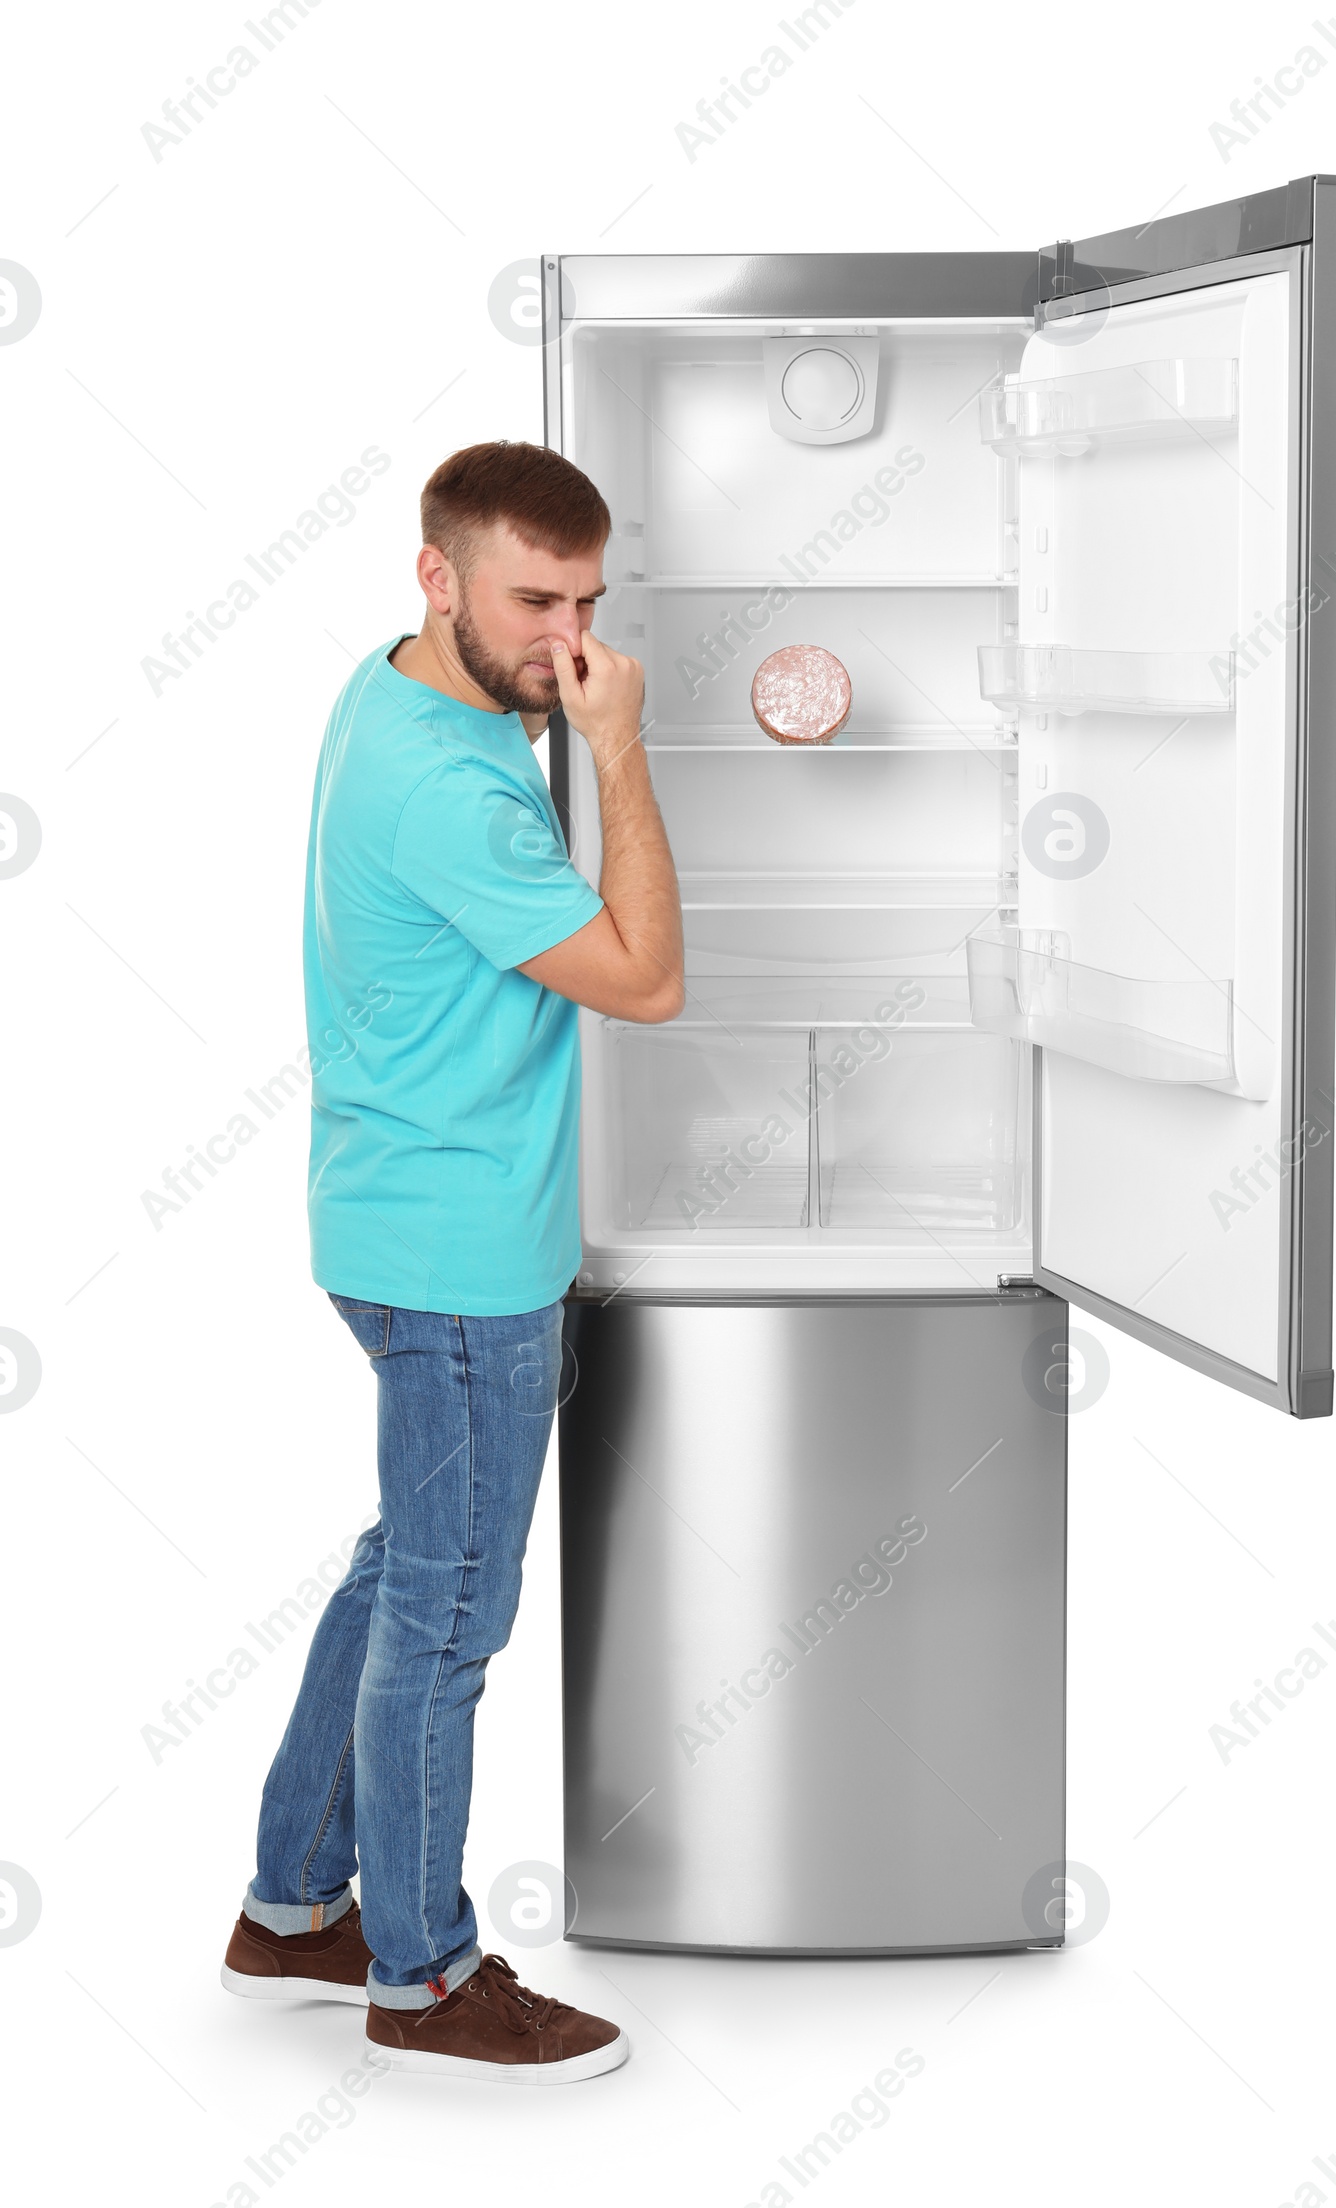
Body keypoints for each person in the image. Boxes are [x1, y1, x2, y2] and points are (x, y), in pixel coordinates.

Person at [219, 440, 682, 2082]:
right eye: (536, 602)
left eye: (590, 606)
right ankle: (421, 1977)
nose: (571, 643)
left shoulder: (402, 695)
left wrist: (563, 718)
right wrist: (623, 754)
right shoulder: (455, 784)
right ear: (436, 578)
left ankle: (292, 1907)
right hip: (462, 1258)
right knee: (449, 1617)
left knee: (404, 1563)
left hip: (392, 1219)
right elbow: (641, 978)